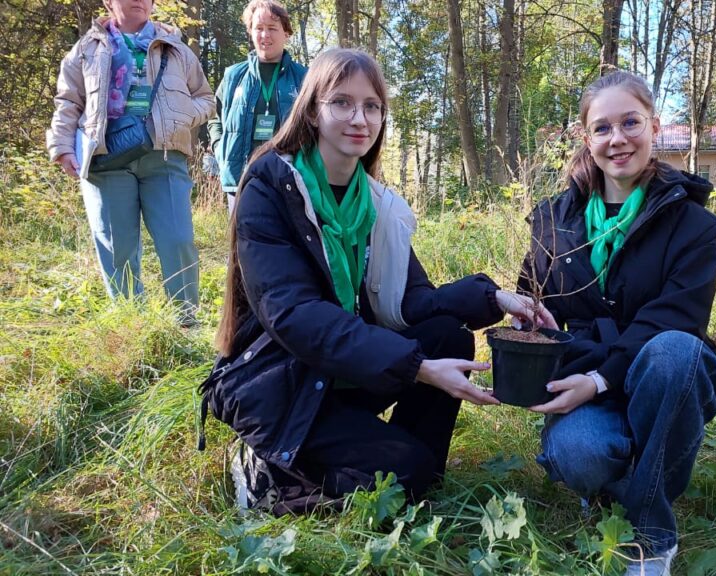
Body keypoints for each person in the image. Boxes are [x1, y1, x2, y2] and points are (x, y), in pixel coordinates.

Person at [200, 47, 556, 515]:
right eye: (342, 103)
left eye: (372, 106)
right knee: (404, 471)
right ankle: (268, 473)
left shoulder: (374, 203)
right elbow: (295, 316)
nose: (360, 119)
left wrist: (494, 298)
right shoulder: (271, 187)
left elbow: (411, 300)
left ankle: (399, 468)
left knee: (447, 338)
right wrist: (417, 368)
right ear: (312, 110)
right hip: (280, 382)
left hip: (338, 371)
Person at [520, 71, 716, 576]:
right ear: (585, 137)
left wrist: (600, 378)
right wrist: (528, 315)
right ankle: (641, 471)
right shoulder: (554, 220)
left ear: (653, 126)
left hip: (659, 377)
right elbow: (534, 293)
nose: (617, 139)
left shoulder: (693, 226)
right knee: (580, 454)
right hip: (583, 377)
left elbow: (674, 317)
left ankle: (650, 534)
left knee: (675, 350)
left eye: (630, 122)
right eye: (602, 128)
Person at [46, 0, 215, 322]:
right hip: (106, 158)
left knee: (178, 240)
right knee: (117, 246)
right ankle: (131, 322)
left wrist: (181, 117)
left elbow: (205, 98)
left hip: (164, 156)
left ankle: (186, 320)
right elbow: (68, 101)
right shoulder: (86, 49)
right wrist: (62, 147)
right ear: (109, 2)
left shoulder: (176, 48)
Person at [208, 0, 307, 214]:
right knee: (242, 235)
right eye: (258, 28)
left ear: (286, 33)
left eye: (272, 28)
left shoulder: (304, 78)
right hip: (240, 179)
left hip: (289, 179)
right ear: (250, 32)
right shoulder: (233, 76)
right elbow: (215, 118)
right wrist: (219, 149)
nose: (265, 35)